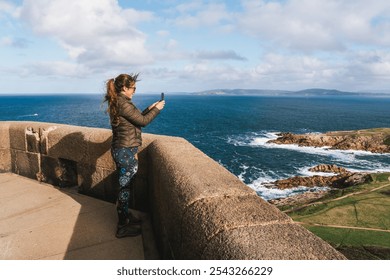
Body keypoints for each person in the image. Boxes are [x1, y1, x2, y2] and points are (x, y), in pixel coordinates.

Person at [104, 73, 165, 238]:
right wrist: (157, 110)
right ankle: (122, 226)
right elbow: (143, 122)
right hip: (125, 151)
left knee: (126, 187)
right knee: (124, 189)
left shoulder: (119, 101)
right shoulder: (123, 103)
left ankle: (125, 217)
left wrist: (150, 108)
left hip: (122, 150)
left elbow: (136, 119)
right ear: (125, 88)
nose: (134, 92)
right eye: (133, 88)